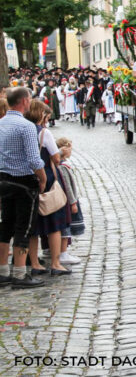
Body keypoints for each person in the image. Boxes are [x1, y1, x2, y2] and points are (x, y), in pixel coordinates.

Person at [0, 87, 47, 289]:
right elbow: (34, 159)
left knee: (5, 225)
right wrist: (43, 178)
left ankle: (2, 271)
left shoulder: (0, 123)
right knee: (23, 227)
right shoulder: (26, 126)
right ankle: (19, 274)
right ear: (25, 101)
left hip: (3, 180)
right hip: (24, 182)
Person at [25, 102, 71, 276]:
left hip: (28, 178)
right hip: (46, 178)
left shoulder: (25, 130)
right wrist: (61, 152)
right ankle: (55, 263)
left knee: (33, 225)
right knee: (54, 223)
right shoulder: (44, 133)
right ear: (42, 115)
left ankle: (35, 263)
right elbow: (56, 158)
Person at [55, 137, 84, 265]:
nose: (71, 151)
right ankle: (63, 253)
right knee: (66, 228)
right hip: (67, 201)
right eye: (70, 148)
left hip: (66, 200)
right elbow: (67, 186)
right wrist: (73, 202)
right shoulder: (63, 167)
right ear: (65, 149)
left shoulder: (62, 165)